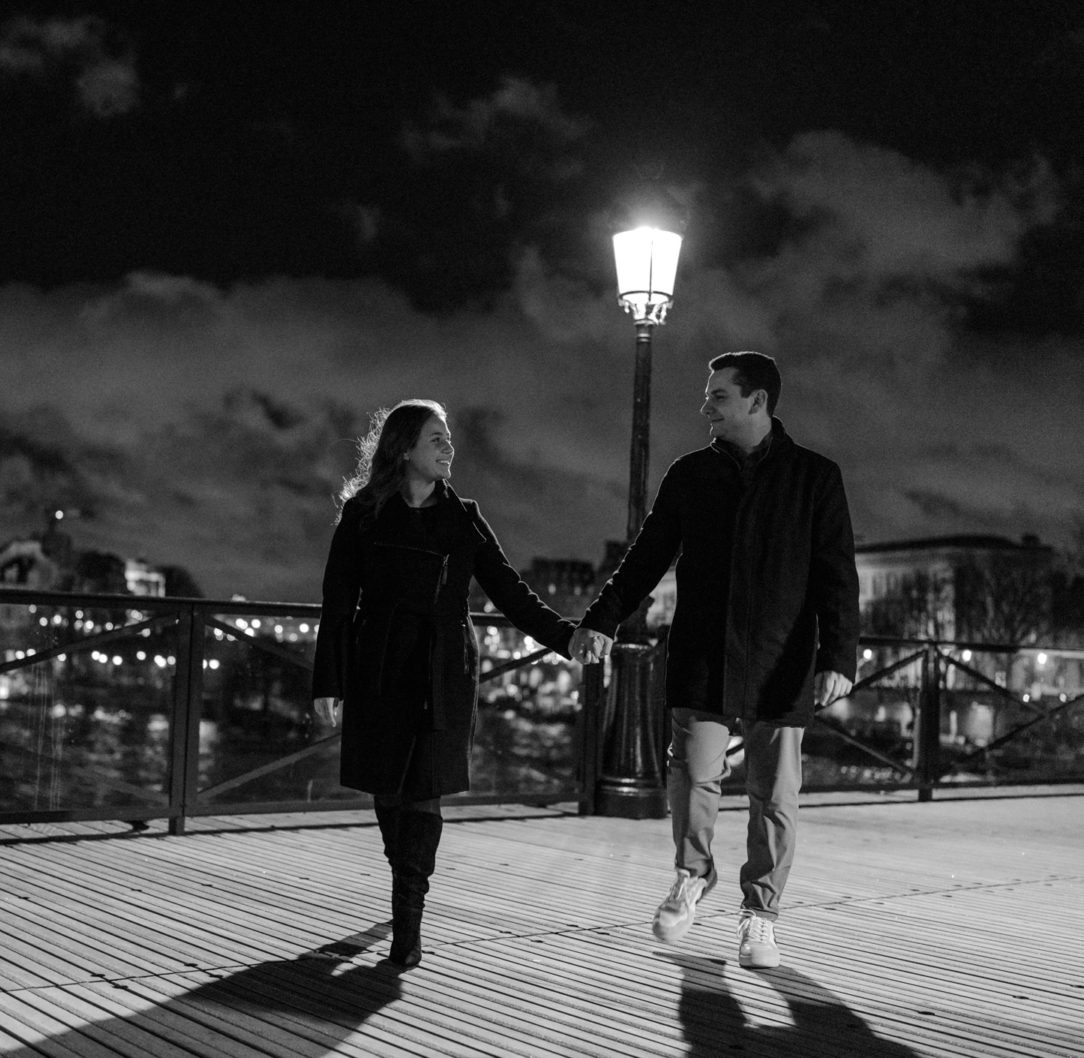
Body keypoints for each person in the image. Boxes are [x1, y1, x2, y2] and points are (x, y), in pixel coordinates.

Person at [572, 352, 858, 969]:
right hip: (703, 654)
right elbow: (644, 559)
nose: (706, 406)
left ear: (757, 402)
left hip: (781, 659)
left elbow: (837, 577)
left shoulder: (816, 478)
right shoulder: (689, 474)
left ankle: (760, 916)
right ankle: (693, 876)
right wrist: (600, 617)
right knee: (692, 776)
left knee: (774, 796)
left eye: (719, 396)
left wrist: (838, 655)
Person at [312, 399, 578, 969]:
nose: (449, 447)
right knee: (388, 789)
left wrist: (568, 638)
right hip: (379, 667)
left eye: (450, 438)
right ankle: (403, 879)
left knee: (424, 792)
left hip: (443, 671)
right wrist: (327, 683)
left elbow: (510, 593)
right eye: (436, 438)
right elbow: (337, 604)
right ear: (404, 448)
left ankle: (408, 923)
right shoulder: (363, 514)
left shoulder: (465, 518)